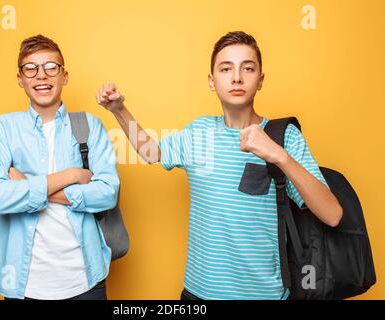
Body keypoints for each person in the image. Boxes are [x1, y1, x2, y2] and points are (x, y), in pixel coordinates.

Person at [96, 31, 342, 300]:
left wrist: (278, 155)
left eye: (247, 68)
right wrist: (119, 110)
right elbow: (150, 152)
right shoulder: (198, 132)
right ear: (212, 82)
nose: (237, 77)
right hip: (198, 294)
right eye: (226, 69)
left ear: (260, 80)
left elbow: (332, 214)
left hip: (263, 296)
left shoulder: (284, 137)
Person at [0, 34, 119, 300]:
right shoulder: (2, 129)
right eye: (31, 68)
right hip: (24, 283)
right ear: (20, 79)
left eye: (51, 67)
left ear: (64, 76)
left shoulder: (89, 125)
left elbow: (107, 193)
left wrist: (27, 185)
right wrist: (71, 175)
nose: (41, 76)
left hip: (85, 280)